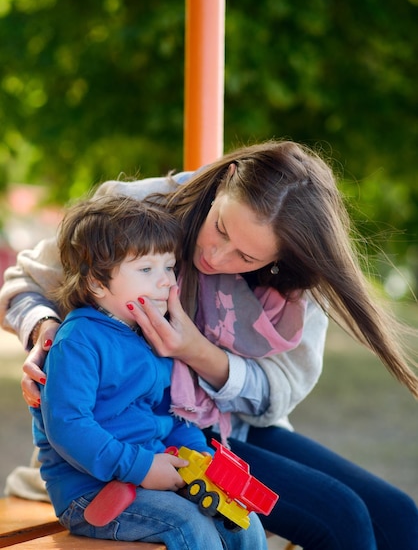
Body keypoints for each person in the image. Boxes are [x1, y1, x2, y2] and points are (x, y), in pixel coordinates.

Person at [1, 140, 418, 550]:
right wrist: (45, 330)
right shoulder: (139, 216)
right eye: (220, 229)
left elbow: (278, 396)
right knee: (342, 516)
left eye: (247, 257)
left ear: (281, 260)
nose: (218, 258)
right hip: (150, 429)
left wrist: (194, 350)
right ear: (226, 179)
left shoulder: (296, 282)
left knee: (398, 516)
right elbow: (25, 283)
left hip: (231, 424)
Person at [29, 194, 267, 550]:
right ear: (96, 283)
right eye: (146, 270)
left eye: (169, 267)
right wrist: (141, 467)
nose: (165, 282)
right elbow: (68, 427)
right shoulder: (78, 341)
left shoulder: (148, 337)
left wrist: (195, 455)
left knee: (242, 522)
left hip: (147, 475)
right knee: (190, 527)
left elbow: (167, 415)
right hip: (90, 494)